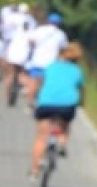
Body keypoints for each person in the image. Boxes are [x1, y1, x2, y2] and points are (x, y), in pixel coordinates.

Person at [30, 42, 85, 178]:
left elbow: (39, 83)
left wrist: (33, 97)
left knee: (41, 137)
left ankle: (35, 170)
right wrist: (82, 103)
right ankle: (61, 143)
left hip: (46, 104)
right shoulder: (77, 71)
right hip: (67, 106)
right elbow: (81, 90)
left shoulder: (50, 67)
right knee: (65, 126)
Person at [25, 12, 69, 104]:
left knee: (33, 82)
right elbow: (64, 48)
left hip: (37, 60)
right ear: (59, 23)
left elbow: (30, 41)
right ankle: (42, 102)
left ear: (48, 21)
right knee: (45, 85)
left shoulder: (40, 30)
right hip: (51, 63)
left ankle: (29, 101)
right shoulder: (61, 34)